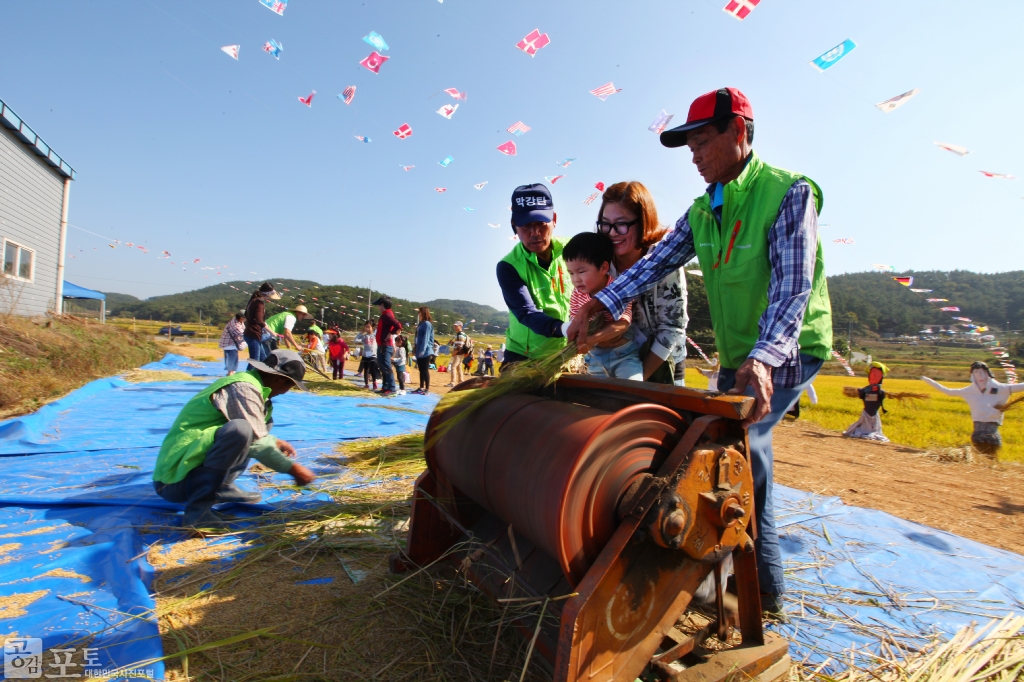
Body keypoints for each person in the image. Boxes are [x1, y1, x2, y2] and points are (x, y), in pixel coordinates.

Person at [568, 87, 833, 620]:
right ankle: (733, 583)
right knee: (730, 457)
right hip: (741, 354)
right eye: (687, 144)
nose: (693, 154)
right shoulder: (702, 210)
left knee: (737, 454)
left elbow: (792, 289)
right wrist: (599, 303)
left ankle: (755, 594)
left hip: (787, 348)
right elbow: (654, 263)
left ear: (738, 132)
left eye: (702, 141)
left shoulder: (788, 193)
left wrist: (762, 360)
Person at [152, 349, 317, 530]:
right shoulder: (244, 388)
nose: (285, 392)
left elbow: (259, 432)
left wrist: (275, 441)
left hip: (189, 473)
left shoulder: (257, 390)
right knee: (240, 430)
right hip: (174, 481)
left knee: (262, 422)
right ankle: (197, 514)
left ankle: (221, 487)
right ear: (279, 379)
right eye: (289, 386)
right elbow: (258, 443)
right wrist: (294, 470)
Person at [597, 182, 689, 385]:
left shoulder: (664, 259)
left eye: (621, 224)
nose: (612, 232)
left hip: (661, 364)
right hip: (615, 362)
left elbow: (672, 327)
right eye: (605, 223)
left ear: (644, 222)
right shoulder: (600, 262)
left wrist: (636, 384)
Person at [496, 184, 572, 370]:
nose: (535, 233)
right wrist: (566, 329)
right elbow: (526, 313)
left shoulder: (573, 249)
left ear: (554, 220)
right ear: (514, 225)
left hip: (567, 355)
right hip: (524, 358)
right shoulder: (508, 266)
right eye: (526, 226)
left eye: (540, 223)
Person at [561, 231, 642, 380]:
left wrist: (591, 339)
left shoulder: (618, 288)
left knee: (632, 391)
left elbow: (623, 324)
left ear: (604, 268)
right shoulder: (577, 294)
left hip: (623, 355)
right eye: (571, 273)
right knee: (598, 398)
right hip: (595, 358)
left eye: (581, 271)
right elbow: (576, 323)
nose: (575, 280)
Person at [922, 361, 1024, 457]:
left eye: (983, 372)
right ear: (972, 375)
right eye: (976, 372)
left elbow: (1021, 386)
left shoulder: (1001, 389)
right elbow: (948, 391)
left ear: (988, 373)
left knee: (991, 446)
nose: (980, 375)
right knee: (979, 448)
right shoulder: (969, 391)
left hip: (992, 432)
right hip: (977, 432)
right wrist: (927, 380)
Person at [843, 362, 890, 441]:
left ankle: (867, 430)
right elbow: (862, 394)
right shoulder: (867, 389)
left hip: (873, 411)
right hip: (867, 410)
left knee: (871, 421)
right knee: (867, 421)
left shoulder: (879, 391)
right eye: (872, 374)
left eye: (876, 375)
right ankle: (866, 430)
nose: (874, 376)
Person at [373, 296, 403, 396]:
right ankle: (385, 387)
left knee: (386, 367)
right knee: (382, 366)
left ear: (382, 305)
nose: (378, 307)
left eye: (379, 305)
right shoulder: (385, 315)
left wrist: (391, 332)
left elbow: (398, 325)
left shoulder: (387, 315)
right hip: (382, 345)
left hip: (386, 346)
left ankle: (391, 388)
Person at [244, 283, 281, 363]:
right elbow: (259, 321)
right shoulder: (259, 303)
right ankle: (248, 374)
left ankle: (260, 375)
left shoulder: (253, 300)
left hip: (250, 333)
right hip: (253, 334)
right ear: (267, 294)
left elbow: (247, 315)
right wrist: (272, 332)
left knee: (263, 358)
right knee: (255, 360)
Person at [414, 307, 435, 394]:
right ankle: (421, 386)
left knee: (425, 369)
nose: (419, 314)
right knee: (421, 369)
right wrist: (415, 348)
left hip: (426, 351)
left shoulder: (427, 324)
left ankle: (427, 388)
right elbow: (417, 337)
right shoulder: (420, 324)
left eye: (420, 312)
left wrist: (422, 350)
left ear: (424, 313)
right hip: (419, 350)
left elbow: (426, 338)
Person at [355, 320, 380, 390]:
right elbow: (356, 340)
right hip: (365, 355)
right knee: (366, 369)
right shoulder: (364, 336)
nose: (367, 328)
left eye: (369, 327)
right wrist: (360, 333)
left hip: (373, 355)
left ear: (372, 328)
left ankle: (374, 381)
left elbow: (378, 332)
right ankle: (366, 384)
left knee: (372, 369)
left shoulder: (375, 335)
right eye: (366, 327)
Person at [219, 310, 246, 376]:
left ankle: (231, 373)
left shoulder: (238, 321)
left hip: (232, 344)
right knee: (231, 361)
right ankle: (230, 374)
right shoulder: (235, 324)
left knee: (234, 360)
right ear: (241, 318)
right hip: (229, 344)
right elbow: (242, 334)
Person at [446, 321, 471, 386]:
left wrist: (454, 352)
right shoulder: (461, 334)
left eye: (456, 326)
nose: (455, 327)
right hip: (461, 353)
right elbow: (458, 344)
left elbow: (459, 346)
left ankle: (452, 382)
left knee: (453, 367)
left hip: (459, 353)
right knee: (459, 367)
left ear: (460, 326)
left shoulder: (460, 334)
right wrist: (452, 343)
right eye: (454, 326)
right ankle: (461, 381)